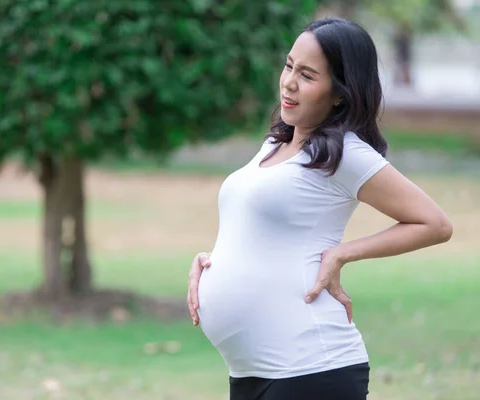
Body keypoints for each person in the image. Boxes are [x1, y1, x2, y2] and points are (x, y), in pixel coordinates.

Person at [186, 18, 453, 400]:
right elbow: (266, 229)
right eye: (289, 65)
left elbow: (435, 223)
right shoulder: (274, 145)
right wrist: (216, 260)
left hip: (310, 368)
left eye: (308, 75)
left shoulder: (345, 154)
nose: (289, 82)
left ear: (340, 94)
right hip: (251, 373)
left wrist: (341, 253)